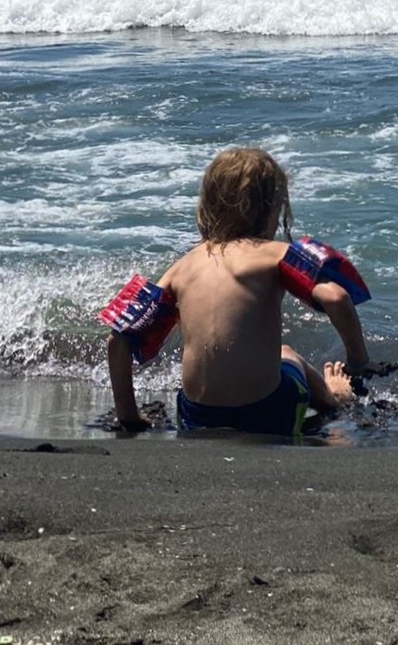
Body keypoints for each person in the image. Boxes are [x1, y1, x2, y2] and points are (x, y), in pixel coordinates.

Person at [105, 146, 378, 435]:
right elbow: (336, 297)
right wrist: (358, 362)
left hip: (197, 417)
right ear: (273, 208)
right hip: (268, 412)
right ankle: (336, 399)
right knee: (287, 353)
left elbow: (118, 339)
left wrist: (129, 416)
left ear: (208, 206)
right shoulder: (275, 253)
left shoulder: (182, 267)